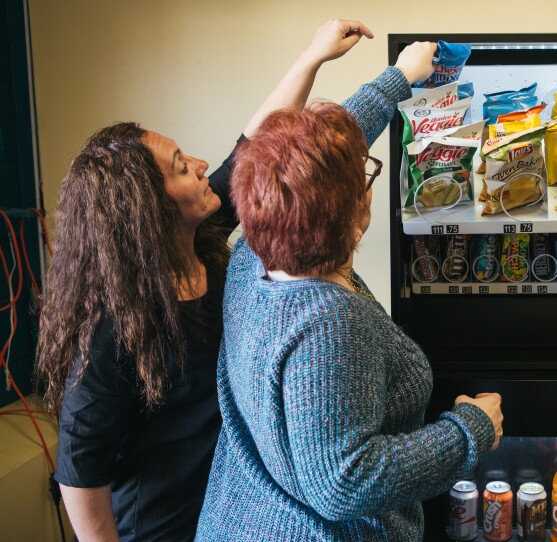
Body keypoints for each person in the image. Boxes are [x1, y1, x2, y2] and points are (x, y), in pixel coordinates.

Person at [36, 19, 439, 542]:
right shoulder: (116, 328)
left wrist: (315, 59)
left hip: (233, 504)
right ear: (147, 213)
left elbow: (272, 158)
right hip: (166, 526)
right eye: (182, 167)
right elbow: (79, 469)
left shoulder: (217, 245)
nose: (203, 166)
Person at [194, 97, 504, 540]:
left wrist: (398, 79)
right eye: (365, 177)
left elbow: (306, 159)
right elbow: (346, 480)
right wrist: (468, 431)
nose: (369, 183)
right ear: (350, 217)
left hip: (240, 517)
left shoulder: (249, 255)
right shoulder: (329, 325)